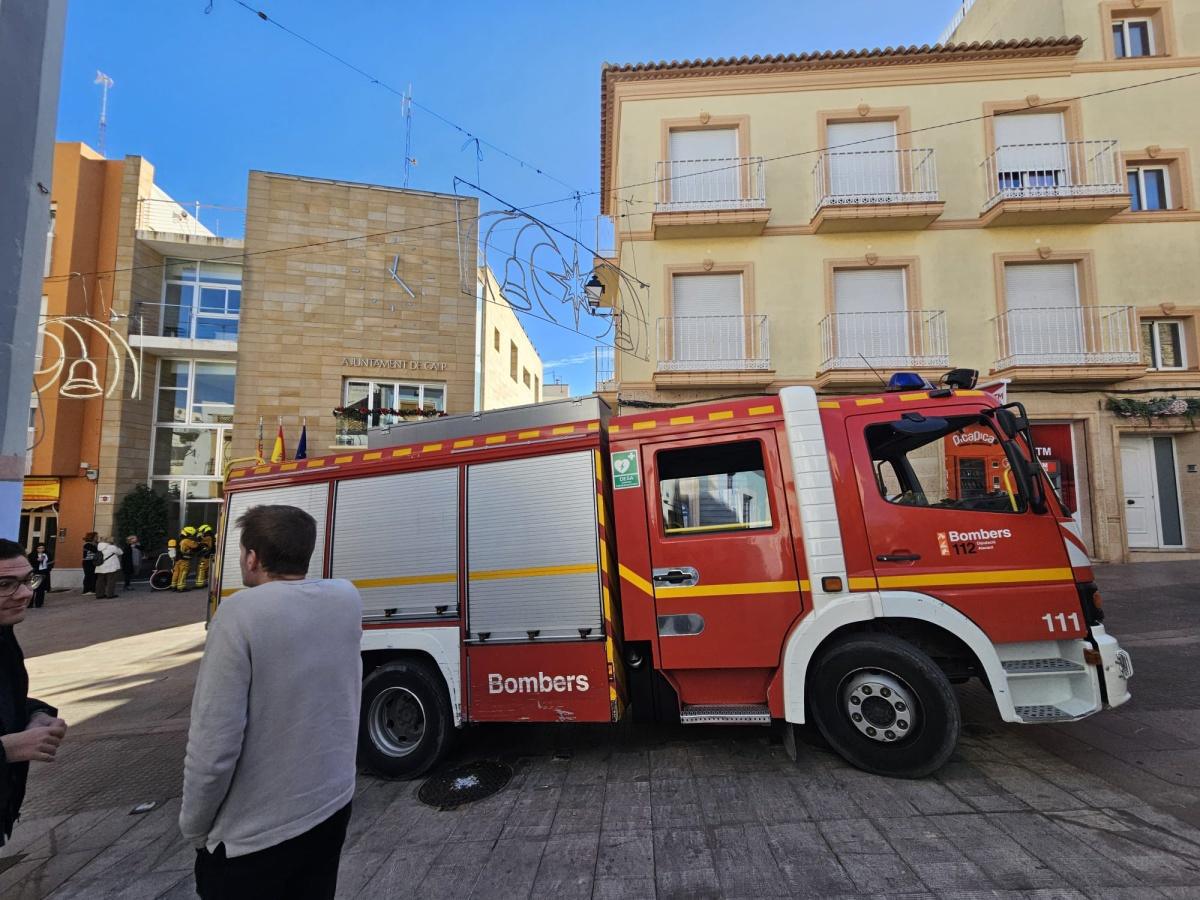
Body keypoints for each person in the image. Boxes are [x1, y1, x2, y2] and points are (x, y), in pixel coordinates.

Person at [180, 505, 362, 900]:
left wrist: (194, 827)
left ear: (251, 557)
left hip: (254, 839)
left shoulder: (239, 614)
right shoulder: (345, 599)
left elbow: (213, 745)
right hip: (330, 806)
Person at [0, 539, 69, 848]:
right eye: (5, 584)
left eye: (28, 580)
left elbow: (6, 699)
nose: (27, 593)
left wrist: (35, 714)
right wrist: (7, 750)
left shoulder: (4, 636)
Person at [172, 527, 198, 593]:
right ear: (188, 533)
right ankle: (181, 587)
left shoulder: (178, 539)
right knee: (183, 573)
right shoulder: (186, 540)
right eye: (191, 534)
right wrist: (197, 540)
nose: (192, 536)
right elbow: (195, 546)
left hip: (177, 559)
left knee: (176, 572)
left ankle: (173, 586)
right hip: (184, 559)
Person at [194, 525, 215, 589]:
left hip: (206, 556)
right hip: (209, 555)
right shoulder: (210, 536)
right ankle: (209, 583)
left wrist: (199, 538)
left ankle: (199, 584)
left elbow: (204, 544)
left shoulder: (208, 537)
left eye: (202, 531)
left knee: (201, 568)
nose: (201, 533)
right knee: (209, 570)